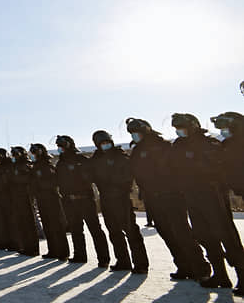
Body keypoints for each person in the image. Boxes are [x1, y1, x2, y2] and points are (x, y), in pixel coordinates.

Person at [126, 117, 209, 281]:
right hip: (152, 198)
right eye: (132, 133)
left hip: (170, 196)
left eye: (136, 132)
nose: (135, 136)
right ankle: (183, 266)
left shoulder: (163, 146)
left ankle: (200, 267)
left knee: (181, 231)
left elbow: (175, 169)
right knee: (166, 233)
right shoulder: (136, 151)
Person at [171, 113, 244, 291]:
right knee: (205, 236)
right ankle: (220, 275)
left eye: (183, 128)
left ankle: (242, 276)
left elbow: (218, 167)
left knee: (226, 235)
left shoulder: (208, 143)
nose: (180, 132)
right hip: (192, 196)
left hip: (212, 195)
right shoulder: (178, 146)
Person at [90, 130, 148, 274]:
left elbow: (127, 176)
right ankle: (123, 261)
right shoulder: (96, 159)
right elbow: (91, 175)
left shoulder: (120, 156)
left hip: (120, 198)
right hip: (106, 199)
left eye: (107, 142)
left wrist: (115, 185)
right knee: (114, 232)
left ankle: (141, 263)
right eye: (102, 143)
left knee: (131, 231)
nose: (105, 145)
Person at [54, 135, 110, 267]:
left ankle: (104, 259)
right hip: (69, 201)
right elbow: (58, 181)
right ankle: (80, 255)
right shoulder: (61, 163)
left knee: (95, 229)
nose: (60, 149)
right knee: (76, 230)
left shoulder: (81, 159)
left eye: (62, 146)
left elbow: (91, 177)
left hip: (85, 200)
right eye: (58, 147)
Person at [29, 143, 69, 261]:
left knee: (57, 225)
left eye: (35, 153)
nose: (33, 155)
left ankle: (63, 252)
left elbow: (52, 182)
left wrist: (40, 185)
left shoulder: (47, 165)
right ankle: (53, 250)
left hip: (51, 198)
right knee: (47, 226)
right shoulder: (35, 166)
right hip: (41, 198)